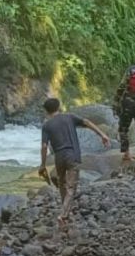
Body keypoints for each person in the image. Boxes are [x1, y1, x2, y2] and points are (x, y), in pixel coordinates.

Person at [39, 97, 111, 226]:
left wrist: (43, 164)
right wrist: (102, 135)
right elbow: (87, 122)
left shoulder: (46, 125)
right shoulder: (69, 117)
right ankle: (63, 215)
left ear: (46, 111)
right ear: (58, 107)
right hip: (72, 155)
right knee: (71, 187)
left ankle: (65, 209)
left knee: (62, 183)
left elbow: (44, 146)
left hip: (59, 157)